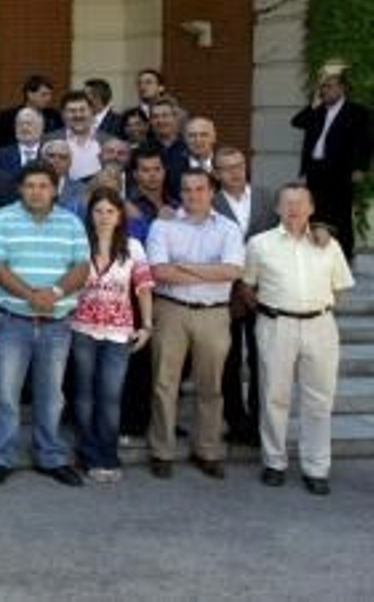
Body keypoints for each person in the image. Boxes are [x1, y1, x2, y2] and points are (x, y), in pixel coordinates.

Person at [0, 162, 90, 487]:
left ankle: (50, 456)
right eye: (30, 186)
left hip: (56, 324)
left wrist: (54, 293)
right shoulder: (1, 219)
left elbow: (82, 267)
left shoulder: (71, 222)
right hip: (11, 320)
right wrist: (31, 295)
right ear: (20, 189)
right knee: (5, 394)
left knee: (52, 395)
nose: (37, 191)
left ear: (55, 189)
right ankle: (1, 456)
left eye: (44, 185)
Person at [243, 184, 355, 495]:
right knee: (274, 396)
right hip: (276, 324)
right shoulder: (259, 244)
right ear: (277, 209)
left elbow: (340, 287)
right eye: (287, 204)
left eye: (300, 203)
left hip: (320, 325)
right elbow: (247, 286)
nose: (294, 209)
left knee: (319, 400)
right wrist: (270, 310)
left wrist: (316, 308)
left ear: (311, 208)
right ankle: (274, 462)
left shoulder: (328, 244)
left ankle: (316, 467)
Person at [146, 168, 245, 480]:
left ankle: (208, 450)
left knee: (211, 386)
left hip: (214, 314)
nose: (193, 195)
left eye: (200, 189)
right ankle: (162, 450)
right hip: (170, 310)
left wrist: (185, 266)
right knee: (164, 384)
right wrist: (208, 270)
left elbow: (232, 271)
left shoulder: (228, 228)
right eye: (187, 190)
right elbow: (160, 272)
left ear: (211, 191)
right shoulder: (162, 226)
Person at [68, 188, 155, 484]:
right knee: (83, 395)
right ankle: (87, 452)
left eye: (110, 211)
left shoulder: (133, 247)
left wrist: (147, 326)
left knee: (110, 396)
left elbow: (144, 289)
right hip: (81, 329)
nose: (104, 217)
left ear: (120, 216)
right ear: (89, 215)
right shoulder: (79, 244)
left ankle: (108, 453)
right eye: (98, 211)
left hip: (119, 332)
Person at [212, 147, 277, 447]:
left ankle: (258, 421)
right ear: (216, 173)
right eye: (226, 168)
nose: (235, 172)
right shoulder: (209, 202)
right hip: (226, 294)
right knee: (230, 360)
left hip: (264, 293)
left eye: (238, 165)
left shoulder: (267, 196)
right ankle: (236, 422)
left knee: (261, 358)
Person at [291, 71, 371, 259]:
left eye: (329, 86)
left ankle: (343, 256)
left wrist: (360, 167)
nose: (324, 90)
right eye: (323, 87)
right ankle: (317, 251)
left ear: (341, 89)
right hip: (316, 170)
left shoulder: (357, 112)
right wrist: (312, 105)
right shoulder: (318, 111)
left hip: (341, 170)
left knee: (340, 214)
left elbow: (365, 142)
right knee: (315, 211)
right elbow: (296, 122)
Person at [0, 74, 64, 149]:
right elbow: (3, 145)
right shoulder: (8, 116)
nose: (48, 98)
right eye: (44, 95)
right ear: (30, 95)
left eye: (50, 94)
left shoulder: (54, 116)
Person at [0, 107, 46, 177]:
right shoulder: (0, 156)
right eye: (20, 124)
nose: (24, 128)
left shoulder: (49, 154)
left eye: (29, 124)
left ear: (41, 127)